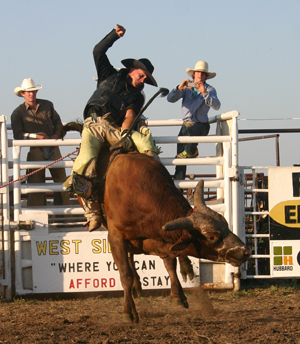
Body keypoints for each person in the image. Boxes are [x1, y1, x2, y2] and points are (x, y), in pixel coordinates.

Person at [64, 24, 159, 232]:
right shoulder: (108, 74)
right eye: (141, 75)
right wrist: (114, 35)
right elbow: (98, 51)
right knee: (86, 159)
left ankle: (155, 173)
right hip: (95, 125)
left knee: (143, 138)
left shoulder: (136, 96)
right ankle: (93, 214)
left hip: (116, 129)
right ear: (132, 70)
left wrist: (125, 133)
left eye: (145, 78)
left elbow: (130, 115)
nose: (142, 80)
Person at [11, 78, 69, 207]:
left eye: (33, 91)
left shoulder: (48, 105)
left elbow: (58, 123)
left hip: (53, 147)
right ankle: (38, 214)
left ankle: (63, 215)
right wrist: (35, 136)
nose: (31, 94)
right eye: (28, 92)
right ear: (23, 94)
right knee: (36, 183)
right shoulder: (18, 113)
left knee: (61, 182)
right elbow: (17, 134)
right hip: (36, 149)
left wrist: (56, 134)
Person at [167, 61, 221, 181]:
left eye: (202, 73)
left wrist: (204, 93)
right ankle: (179, 185)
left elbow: (217, 105)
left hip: (200, 125)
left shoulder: (210, 89)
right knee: (180, 158)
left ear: (206, 76)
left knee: (189, 141)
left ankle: (192, 150)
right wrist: (179, 88)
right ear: (194, 74)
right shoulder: (187, 88)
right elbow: (170, 99)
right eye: (198, 73)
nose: (200, 75)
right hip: (186, 126)